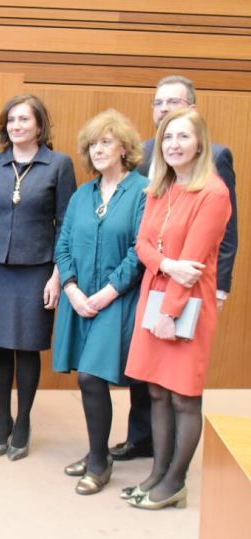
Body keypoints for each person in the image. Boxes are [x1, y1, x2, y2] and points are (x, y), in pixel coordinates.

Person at [111, 75, 239, 463]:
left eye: (173, 102)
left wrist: (220, 285)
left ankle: (170, 470)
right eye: (158, 102)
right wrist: (160, 264)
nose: (164, 110)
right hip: (148, 278)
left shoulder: (215, 161)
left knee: (180, 386)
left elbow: (225, 234)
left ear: (194, 112)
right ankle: (141, 439)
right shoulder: (146, 155)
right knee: (147, 378)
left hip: (191, 285)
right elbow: (143, 236)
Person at [52, 109, 148, 494]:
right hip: (79, 298)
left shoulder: (142, 190)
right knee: (86, 377)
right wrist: (71, 288)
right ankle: (98, 453)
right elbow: (63, 243)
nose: (97, 150)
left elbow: (140, 250)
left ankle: (98, 461)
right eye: (92, 144)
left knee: (92, 376)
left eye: (105, 142)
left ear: (124, 147)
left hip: (117, 300)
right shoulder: (82, 194)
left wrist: (107, 293)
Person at [0, 93, 77, 460]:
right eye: (11, 120)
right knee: (0, 347)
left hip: (38, 269)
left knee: (28, 347)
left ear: (39, 125)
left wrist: (58, 276)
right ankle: (3, 420)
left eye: (24, 120)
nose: (16, 126)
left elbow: (67, 225)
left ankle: (24, 422)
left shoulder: (58, 164)